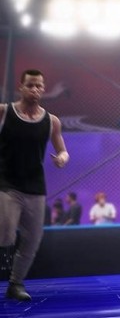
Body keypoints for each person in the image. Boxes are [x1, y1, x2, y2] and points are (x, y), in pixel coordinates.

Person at [0, 69, 70, 302]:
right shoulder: (4, 112)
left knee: (32, 239)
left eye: (39, 85)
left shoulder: (52, 121)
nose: (35, 89)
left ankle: (15, 284)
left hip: (35, 187)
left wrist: (62, 158)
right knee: (5, 234)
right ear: (21, 87)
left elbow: (63, 150)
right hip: (7, 183)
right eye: (30, 85)